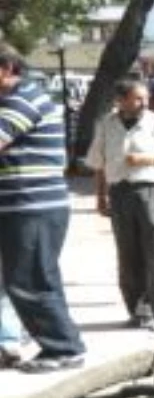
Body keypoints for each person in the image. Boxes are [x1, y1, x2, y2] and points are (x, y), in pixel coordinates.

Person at [0, 50, 85, 372]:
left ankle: (63, 347)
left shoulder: (22, 100)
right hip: (23, 205)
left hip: (32, 206)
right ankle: (59, 344)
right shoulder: (15, 99)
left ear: (7, 68)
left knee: (29, 280)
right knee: (33, 277)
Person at [87, 77, 154, 329]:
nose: (144, 102)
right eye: (137, 98)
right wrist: (100, 196)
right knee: (128, 255)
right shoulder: (107, 125)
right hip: (120, 191)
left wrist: (146, 158)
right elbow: (98, 163)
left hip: (152, 189)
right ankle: (139, 311)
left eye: (145, 98)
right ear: (121, 100)